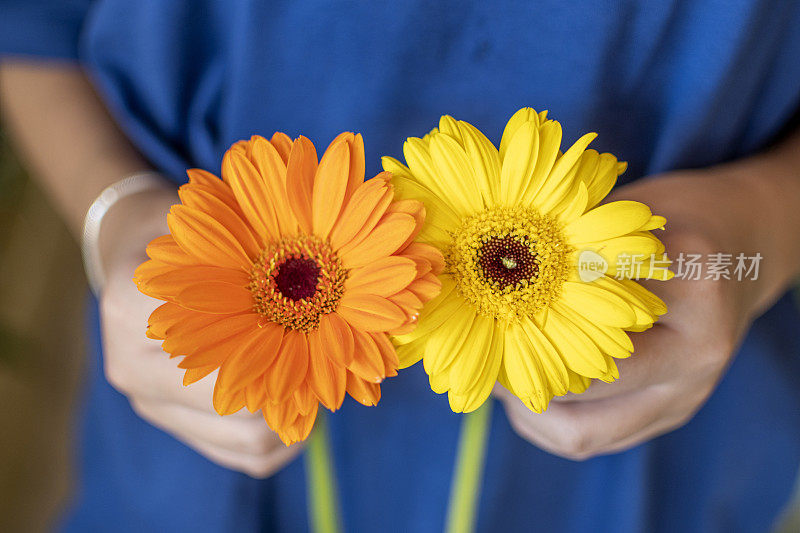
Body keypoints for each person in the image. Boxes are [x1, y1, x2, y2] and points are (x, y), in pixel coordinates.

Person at [2, 2, 799, 531]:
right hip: (204, 415)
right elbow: (31, 25)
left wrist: (765, 220)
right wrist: (115, 211)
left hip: (660, 431)